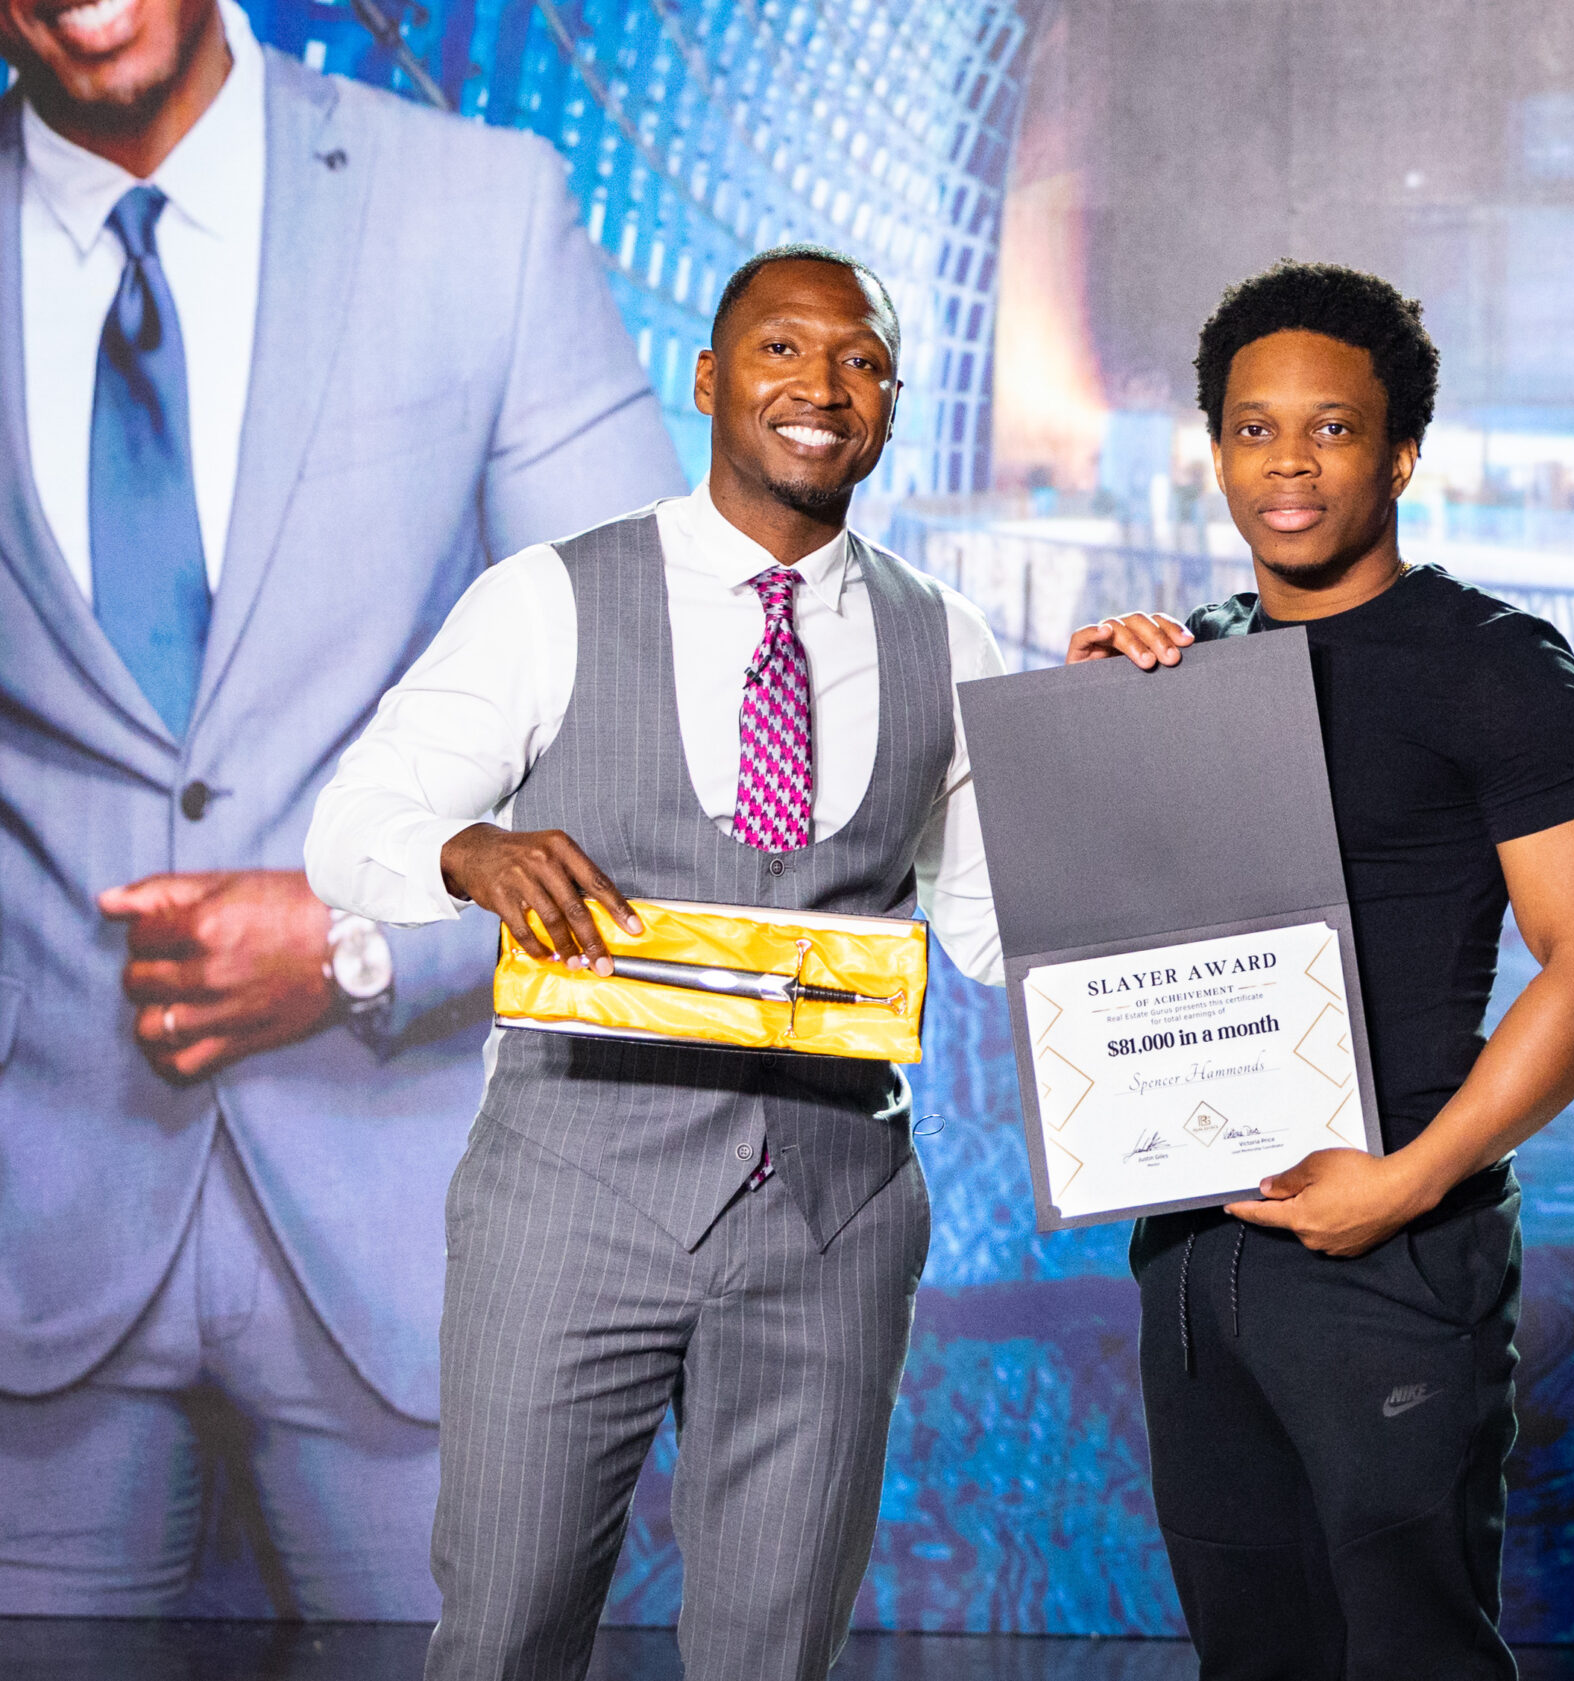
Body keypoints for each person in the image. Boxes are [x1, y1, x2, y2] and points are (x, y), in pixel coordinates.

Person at [0, 0, 682, 1617]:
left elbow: (662, 719)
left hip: (414, 1231)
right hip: (28, 1230)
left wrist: (360, 939)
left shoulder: (479, 209)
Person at [305, 246, 1010, 1681]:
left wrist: (1123, 736)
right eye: (782, 349)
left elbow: (1004, 932)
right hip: (570, 1202)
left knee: (774, 1654)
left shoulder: (952, 638)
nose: (822, 387)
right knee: (506, 1633)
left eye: (863, 360)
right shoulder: (549, 597)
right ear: (707, 377)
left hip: (834, 1216)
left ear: (892, 403)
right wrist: (466, 852)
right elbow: (349, 828)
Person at [1070, 261, 1574, 1680]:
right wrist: (1084, 729)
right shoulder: (1191, 663)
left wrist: (1408, 1181)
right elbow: (1099, 938)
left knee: (1410, 1655)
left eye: (1331, 427)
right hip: (1197, 1255)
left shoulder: (1490, 663)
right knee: (1252, 1655)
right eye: (1255, 428)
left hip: (1395, 1247)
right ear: (1217, 453)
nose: (1290, 462)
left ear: (1400, 453)